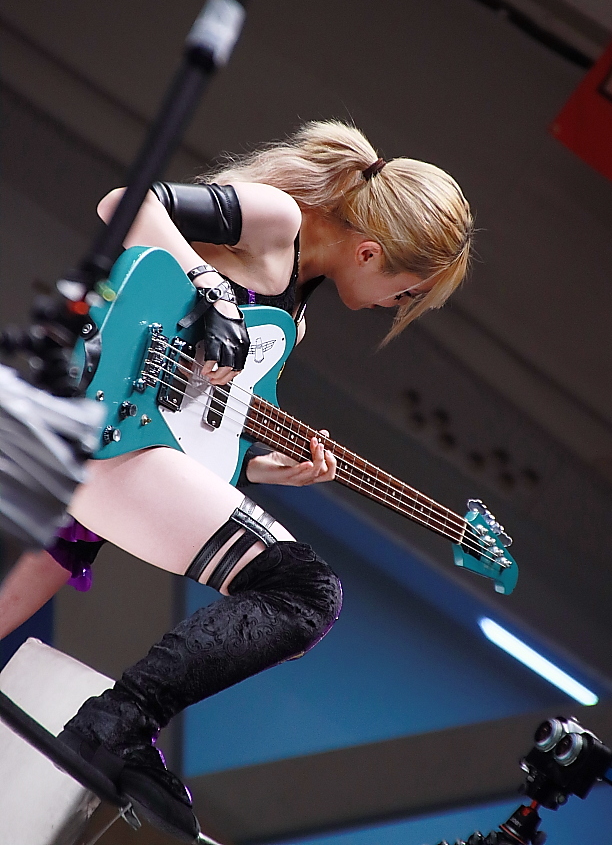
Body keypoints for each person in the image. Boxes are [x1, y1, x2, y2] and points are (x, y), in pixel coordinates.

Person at [0, 120, 473, 841]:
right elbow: (123, 202)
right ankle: (117, 725)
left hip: (117, 466)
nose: (396, 308)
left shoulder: (292, 326)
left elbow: (194, 426)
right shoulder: (277, 221)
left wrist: (260, 468)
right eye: (406, 293)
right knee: (305, 590)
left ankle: (116, 726)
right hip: (96, 425)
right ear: (370, 252)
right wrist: (210, 292)